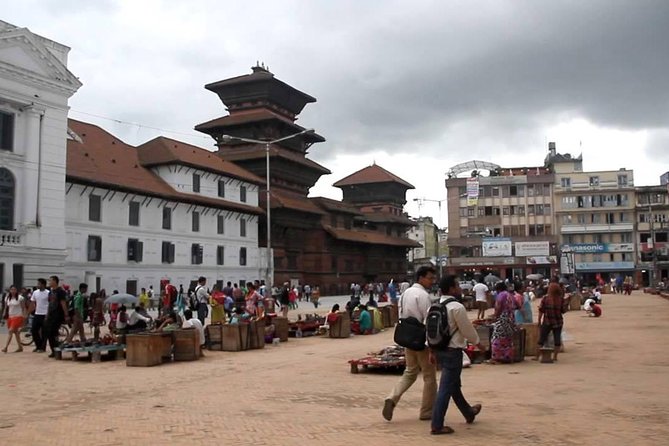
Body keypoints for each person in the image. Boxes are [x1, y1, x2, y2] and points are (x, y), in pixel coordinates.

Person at [429, 275, 485, 435]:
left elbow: (429, 331)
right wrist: (479, 345)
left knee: (453, 385)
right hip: (453, 352)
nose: (460, 288)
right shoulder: (456, 307)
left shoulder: (433, 306)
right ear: (452, 289)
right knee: (446, 388)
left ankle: (468, 412)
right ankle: (437, 425)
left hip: (439, 350)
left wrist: (431, 352)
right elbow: (468, 331)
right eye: (458, 285)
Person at [383, 266, 438, 422]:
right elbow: (428, 320)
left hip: (407, 337)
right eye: (430, 278)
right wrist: (431, 345)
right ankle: (426, 411)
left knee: (410, 372)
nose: (432, 281)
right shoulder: (423, 296)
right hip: (421, 339)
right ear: (421, 278)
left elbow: (401, 313)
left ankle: (392, 397)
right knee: (429, 377)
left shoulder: (406, 293)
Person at [535, 283, 568, 362]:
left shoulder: (545, 299)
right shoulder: (561, 300)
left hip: (547, 321)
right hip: (558, 322)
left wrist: (539, 320)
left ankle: (537, 356)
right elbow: (563, 311)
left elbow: (541, 311)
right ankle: (555, 357)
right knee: (557, 341)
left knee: (541, 340)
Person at [489, 282, 519, 364]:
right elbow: (518, 305)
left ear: (498, 289)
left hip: (503, 319)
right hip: (511, 318)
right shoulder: (511, 295)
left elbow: (498, 308)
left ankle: (496, 357)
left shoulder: (501, 295)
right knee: (508, 338)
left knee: (497, 337)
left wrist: (494, 317)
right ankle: (508, 357)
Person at [44, 276, 69, 357]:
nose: (49, 282)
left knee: (52, 333)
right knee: (48, 333)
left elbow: (63, 303)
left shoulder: (60, 292)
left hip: (57, 315)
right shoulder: (50, 292)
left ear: (55, 281)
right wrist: (47, 315)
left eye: (50, 281)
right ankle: (54, 350)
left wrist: (66, 315)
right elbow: (49, 304)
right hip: (51, 314)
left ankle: (56, 350)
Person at [2, 285, 28, 353]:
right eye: (12, 289)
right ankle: (20, 347)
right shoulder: (7, 297)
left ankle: (6, 347)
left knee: (10, 331)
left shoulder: (20, 298)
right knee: (16, 333)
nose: (13, 291)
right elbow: (5, 307)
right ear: (10, 290)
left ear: (16, 291)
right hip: (10, 317)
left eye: (14, 289)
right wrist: (4, 314)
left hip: (18, 316)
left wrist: (25, 316)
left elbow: (23, 307)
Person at [29, 278, 50, 352]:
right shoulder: (35, 292)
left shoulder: (48, 293)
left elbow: (50, 304)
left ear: (43, 285)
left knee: (44, 332)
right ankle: (38, 345)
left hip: (45, 314)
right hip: (37, 314)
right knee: (34, 330)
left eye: (39, 284)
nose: (37, 285)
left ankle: (42, 348)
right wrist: (29, 312)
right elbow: (32, 303)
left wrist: (48, 314)